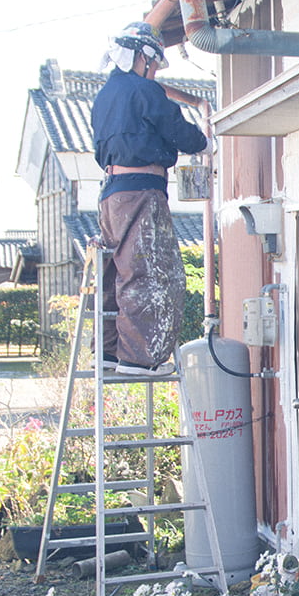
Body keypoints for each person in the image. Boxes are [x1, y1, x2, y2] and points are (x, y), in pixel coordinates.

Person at [91, 22, 208, 376]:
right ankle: (139, 359)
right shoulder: (145, 91)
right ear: (141, 56)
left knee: (116, 272)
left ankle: (109, 352)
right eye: (154, 63)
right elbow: (179, 132)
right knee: (149, 270)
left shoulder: (103, 98)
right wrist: (204, 141)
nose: (155, 71)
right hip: (141, 191)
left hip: (110, 195)